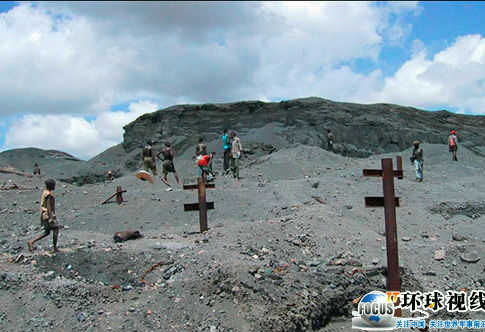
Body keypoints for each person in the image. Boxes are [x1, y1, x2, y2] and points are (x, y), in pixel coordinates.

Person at [27, 179, 61, 252]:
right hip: (47, 215)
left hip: (44, 215)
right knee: (56, 229)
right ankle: (55, 248)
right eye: (54, 185)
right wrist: (51, 217)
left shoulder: (45, 192)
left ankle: (31, 242)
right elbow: (49, 207)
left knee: (47, 232)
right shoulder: (48, 195)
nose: (55, 186)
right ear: (51, 186)